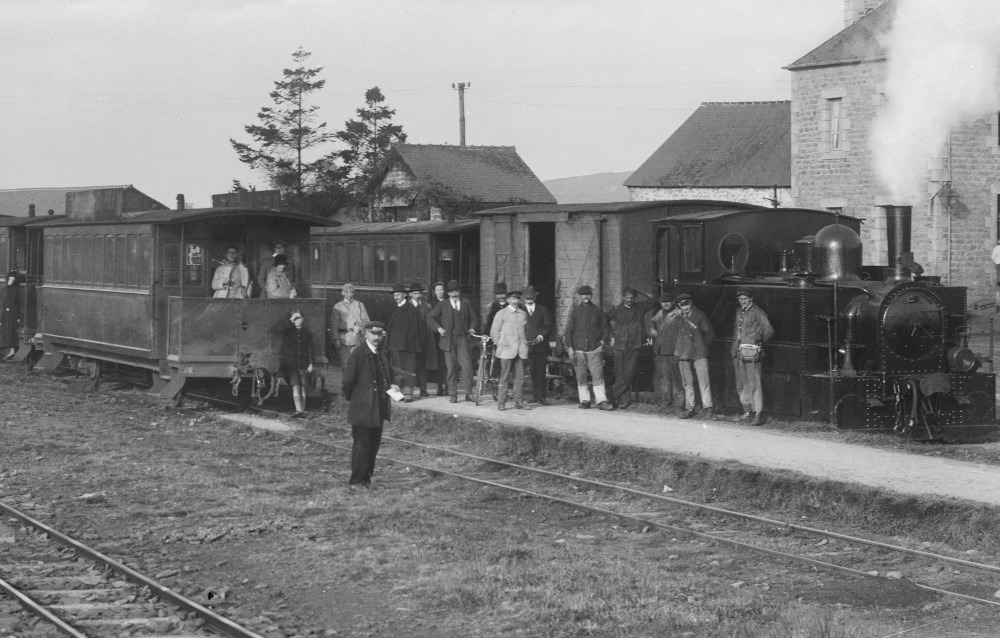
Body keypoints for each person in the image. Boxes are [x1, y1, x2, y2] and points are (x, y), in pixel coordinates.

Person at [342, 321, 400, 489]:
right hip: (363, 409)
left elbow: (385, 374)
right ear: (366, 334)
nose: (376, 337)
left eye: (379, 334)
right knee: (361, 445)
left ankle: (366, 480)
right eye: (373, 334)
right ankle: (356, 481)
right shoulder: (358, 354)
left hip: (377, 409)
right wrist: (356, 399)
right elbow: (348, 382)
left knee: (373, 446)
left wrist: (391, 385)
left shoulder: (380, 353)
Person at [427, 279, 478, 403]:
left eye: (456, 291)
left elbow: (474, 318)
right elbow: (430, 317)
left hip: (462, 339)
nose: (454, 294)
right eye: (451, 292)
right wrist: (438, 328)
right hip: (448, 340)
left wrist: (472, 328)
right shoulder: (442, 304)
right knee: (451, 367)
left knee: (466, 366)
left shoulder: (466, 303)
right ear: (448, 294)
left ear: (459, 292)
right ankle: (453, 394)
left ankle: (468, 393)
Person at [563, 285, 612, 410]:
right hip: (578, 349)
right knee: (581, 375)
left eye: (588, 294)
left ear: (591, 295)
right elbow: (569, 330)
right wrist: (569, 347)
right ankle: (584, 400)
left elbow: (605, 328)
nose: (586, 297)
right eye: (583, 295)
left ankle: (601, 401)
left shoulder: (598, 310)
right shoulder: (575, 311)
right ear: (580, 296)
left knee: (597, 374)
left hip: (594, 349)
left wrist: (601, 342)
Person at [732, 288, 774, 426]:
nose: (743, 301)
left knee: (754, 384)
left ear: (751, 299)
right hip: (738, 352)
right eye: (740, 299)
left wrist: (758, 341)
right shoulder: (739, 311)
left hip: (751, 352)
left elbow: (768, 330)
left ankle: (757, 414)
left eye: (745, 298)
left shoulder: (757, 312)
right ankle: (747, 411)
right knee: (741, 383)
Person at [674, 293, 715, 419]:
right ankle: (690, 407)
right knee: (687, 383)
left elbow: (709, 334)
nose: (684, 307)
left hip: (699, 353)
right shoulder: (678, 318)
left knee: (704, 382)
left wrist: (702, 347)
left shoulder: (700, 315)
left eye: (686, 304)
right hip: (683, 353)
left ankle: (708, 408)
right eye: (681, 305)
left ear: (691, 303)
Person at [490, 289, 531, 411]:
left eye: (517, 299)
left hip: (520, 350)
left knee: (520, 377)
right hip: (506, 351)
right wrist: (500, 344)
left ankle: (518, 401)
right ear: (508, 300)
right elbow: (494, 331)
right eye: (513, 299)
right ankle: (501, 402)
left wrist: (525, 343)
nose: (515, 301)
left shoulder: (523, 314)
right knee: (504, 376)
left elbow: (526, 331)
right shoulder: (501, 313)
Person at [606, 287, 646, 410]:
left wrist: (641, 291)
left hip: (635, 344)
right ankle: (624, 400)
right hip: (619, 344)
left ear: (635, 298)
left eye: (632, 297)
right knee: (620, 373)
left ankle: (611, 393)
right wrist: (611, 334)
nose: (630, 299)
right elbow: (604, 320)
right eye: (628, 297)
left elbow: (655, 301)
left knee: (629, 373)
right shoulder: (616, 309)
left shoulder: (640, 308)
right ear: (623, 297)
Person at [386, 283, 424, 402]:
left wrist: (415, 343)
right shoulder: (396, 308)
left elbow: (419, 328)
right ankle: (398, 393)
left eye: (398, 295)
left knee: (409, 368)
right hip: (396, 345)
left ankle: (408, 392)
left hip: (409, 345)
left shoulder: (411, 309)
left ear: (404, 295)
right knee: (397, 368)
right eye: (394, 295)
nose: (396, 297)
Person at [646, 292, 684, 410]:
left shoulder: (678, 313)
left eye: (668, 302)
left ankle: (679, 403)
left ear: (673, 302)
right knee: (664, 377)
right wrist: (652, 329)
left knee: (676, 377)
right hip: (661, 350)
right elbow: (651, 322)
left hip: (673, 350)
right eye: (663, 302)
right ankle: (665, 401)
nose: (666, 304)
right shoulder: (660, 313)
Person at [523, 286, 554, 405]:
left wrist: (541, 336)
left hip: (541, 346)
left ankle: (542, 396)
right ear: (524, 299)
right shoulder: (521, 311)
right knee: (531, 371)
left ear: (535, 298)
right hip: (527, 346)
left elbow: (548, 326)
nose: (529, 301)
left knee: (540, 371)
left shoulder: (542, 310)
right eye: (527, 299)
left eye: (531, 298)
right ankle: (534, 396)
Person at [281, 310, 314, 418]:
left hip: (304, 364)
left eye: (299, 318)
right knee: (295, 386)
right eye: (295, 319)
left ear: (303, 319)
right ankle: (298, 410)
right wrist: (291, 319)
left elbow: (310, 349)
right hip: (293, 364)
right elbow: (283, 330)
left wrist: (311, 363)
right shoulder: (289, 332)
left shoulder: (307, 333)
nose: (297, 321)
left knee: (303, 387)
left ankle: (303, 410)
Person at [409, 282, 438, 398]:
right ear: (411, 294)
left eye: (419, 293)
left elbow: (429, 322)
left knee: (422, 366)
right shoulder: (407, 306)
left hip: (424, 340)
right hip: (411, 341)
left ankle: (423, 389)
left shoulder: (427, 306)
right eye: (415, 293)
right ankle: (409, 390)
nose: (418, 295)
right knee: (410, 366)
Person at [331, 283, 370, 368]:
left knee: (357, 364)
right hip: (343, 340)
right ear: (343, 293)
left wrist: (359, 327)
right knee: (345, 365)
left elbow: (366, 320)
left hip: (356, 340)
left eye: (351, 292)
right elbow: (334, 325)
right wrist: (336, 339)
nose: (349, 294)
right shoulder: (337, 306)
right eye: (347, 292)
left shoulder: (359, 305)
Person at [429, 281, 449, 395]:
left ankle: (447, 386)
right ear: (434, 292)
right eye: (437, 290)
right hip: (436, 336)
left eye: (441, 289)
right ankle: (439, 386)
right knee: (439, 361)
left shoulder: (448, 302)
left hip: (447, 335)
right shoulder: (432, 304)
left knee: (447, 361)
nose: (439, 292)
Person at [0, 271, 22, 361]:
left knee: (11, 331)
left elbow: (18, 303)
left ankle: (12, 351)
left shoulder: (17, 289)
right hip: (4, 313)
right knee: (5, 331)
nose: (12, 279)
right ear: (8, 277)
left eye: (14, 277)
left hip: (13, 313)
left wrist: (18, 316)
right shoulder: (4, 289)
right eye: (11, 277)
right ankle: (8, 350)